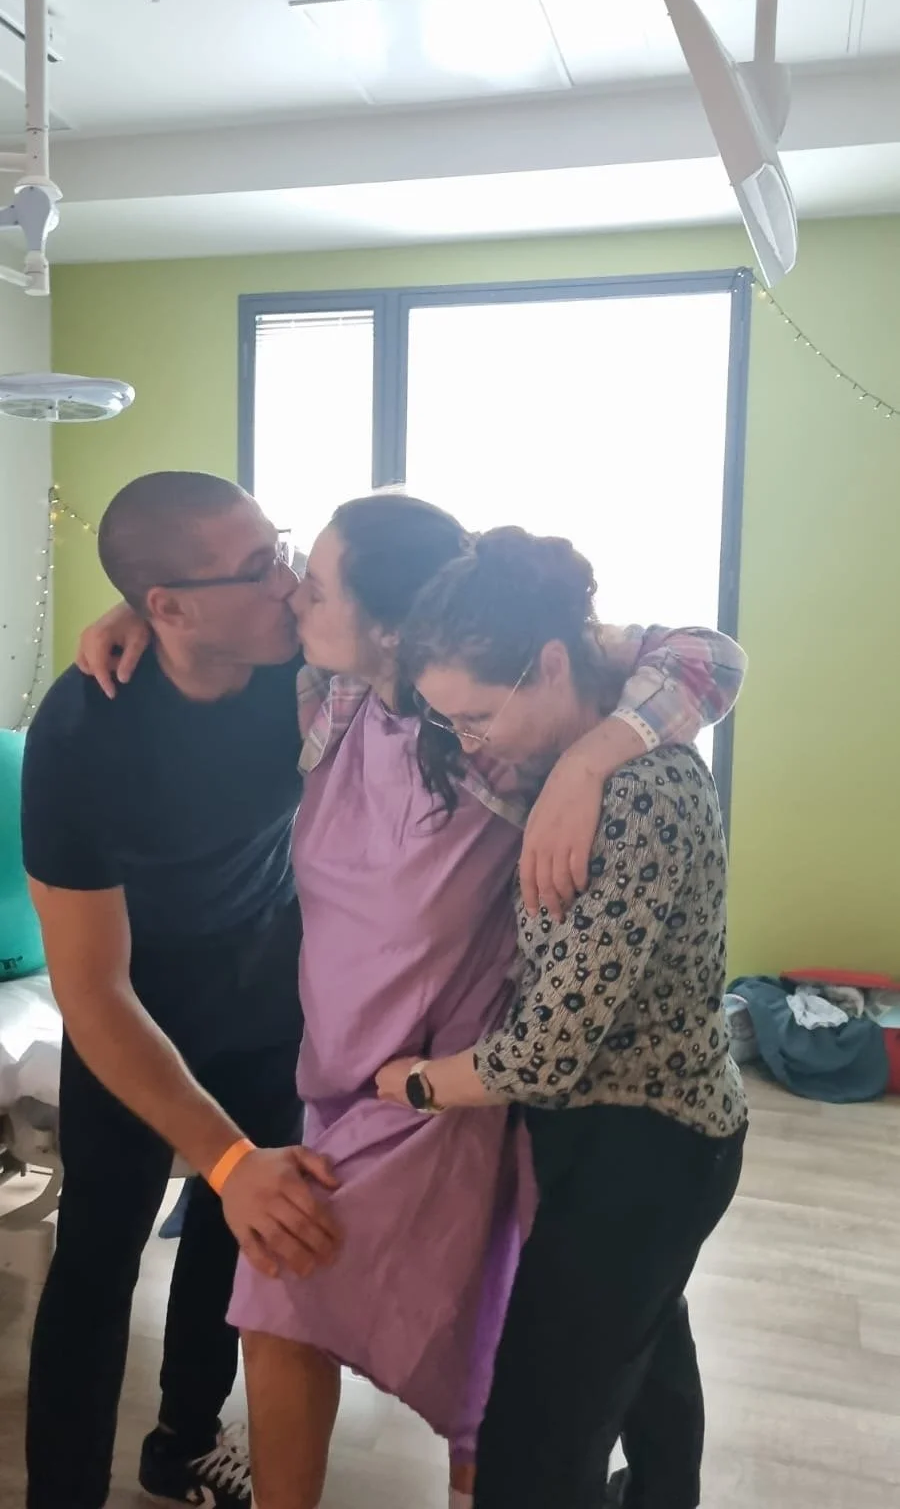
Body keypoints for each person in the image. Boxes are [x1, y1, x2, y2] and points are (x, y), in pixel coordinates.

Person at [79, 493, 746, 1509]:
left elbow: (708, 654)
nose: (295, 587)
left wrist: (590, 755)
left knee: (353, 1298)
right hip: (341, 1070)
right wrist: (143, 612)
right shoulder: (324, 696)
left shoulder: (500, 736)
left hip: (460, 1084)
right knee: (615, 1326)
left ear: (388, 622)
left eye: (316, 578)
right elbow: (208, 638)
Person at [377, 525, 749, 1509]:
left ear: (550, 664)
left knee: (536, 1447)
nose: (469, 743)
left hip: (650, 1146)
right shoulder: (551, 756)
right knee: (642, 1351)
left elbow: (544, 1052)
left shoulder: (636, 796)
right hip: (624, 1134)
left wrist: (414, 1083)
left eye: (479, 714)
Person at [21, 473, 340, 1509]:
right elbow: (95, 992)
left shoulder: (304, 674)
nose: (289, 583)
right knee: (99, 1255)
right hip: (136, 1007)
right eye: (258, 570)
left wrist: (236, 1168)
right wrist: (222, 1153)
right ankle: (63, 1489)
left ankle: (185, 1443)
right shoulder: (82, 734)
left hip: (263, 983)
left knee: (233, 1227)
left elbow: (460, 592)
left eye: (278, 548)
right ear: (167, 606)